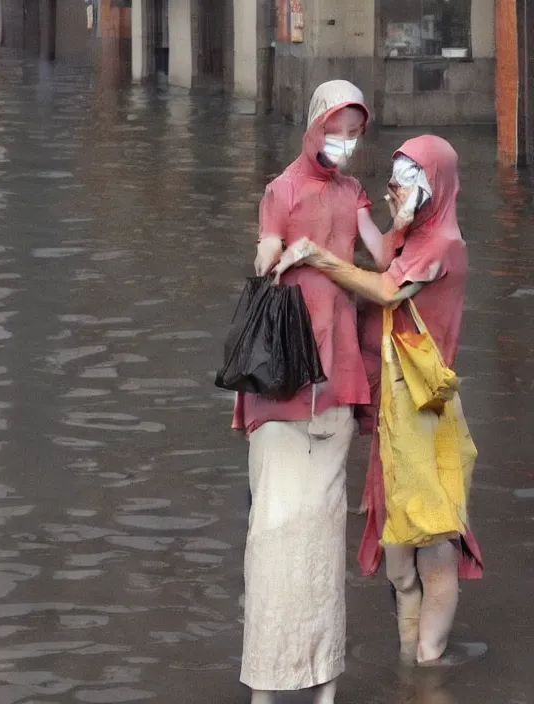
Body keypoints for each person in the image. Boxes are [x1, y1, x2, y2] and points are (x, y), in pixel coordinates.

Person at [273, 135, 484, 665]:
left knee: (433, 546)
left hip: (426, 409)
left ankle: (428, 662)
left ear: (435, 183)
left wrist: (317, 256)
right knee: (398, 560)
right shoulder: (417, 238)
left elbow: (387, 289)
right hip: (398, 408)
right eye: (398, 174)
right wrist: (356, 201)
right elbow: (384, 248)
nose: (400, 186)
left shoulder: (442, 246)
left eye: (412, 176)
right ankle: (412, 665)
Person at [232, 80, 409, 704]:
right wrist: (271, 251)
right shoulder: (280, 190)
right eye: (336, 129)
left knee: (322, 532)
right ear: (314, 125)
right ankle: (266, 684)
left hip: (335, 385)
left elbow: (384, 256)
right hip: (281, 383)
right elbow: (266, 253)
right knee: (275, 532)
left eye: (354, 133)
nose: (344, 143)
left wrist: (406, 213)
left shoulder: (354, 192)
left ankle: (324, 684)